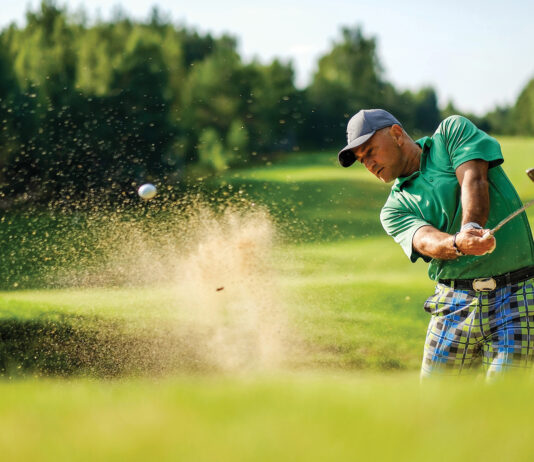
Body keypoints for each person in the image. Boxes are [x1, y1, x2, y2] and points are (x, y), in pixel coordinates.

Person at [338, 109, 534, 379]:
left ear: (396, 134)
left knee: (504, 398)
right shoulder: (394, 209)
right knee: (435, 408)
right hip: (454, 302)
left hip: (518, 295)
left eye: (370, 151)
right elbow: (425, 240)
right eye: (361, 160)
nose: (368, 164)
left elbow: (473, 179)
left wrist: (471, 228)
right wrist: (457, 242)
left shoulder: (452, 133)